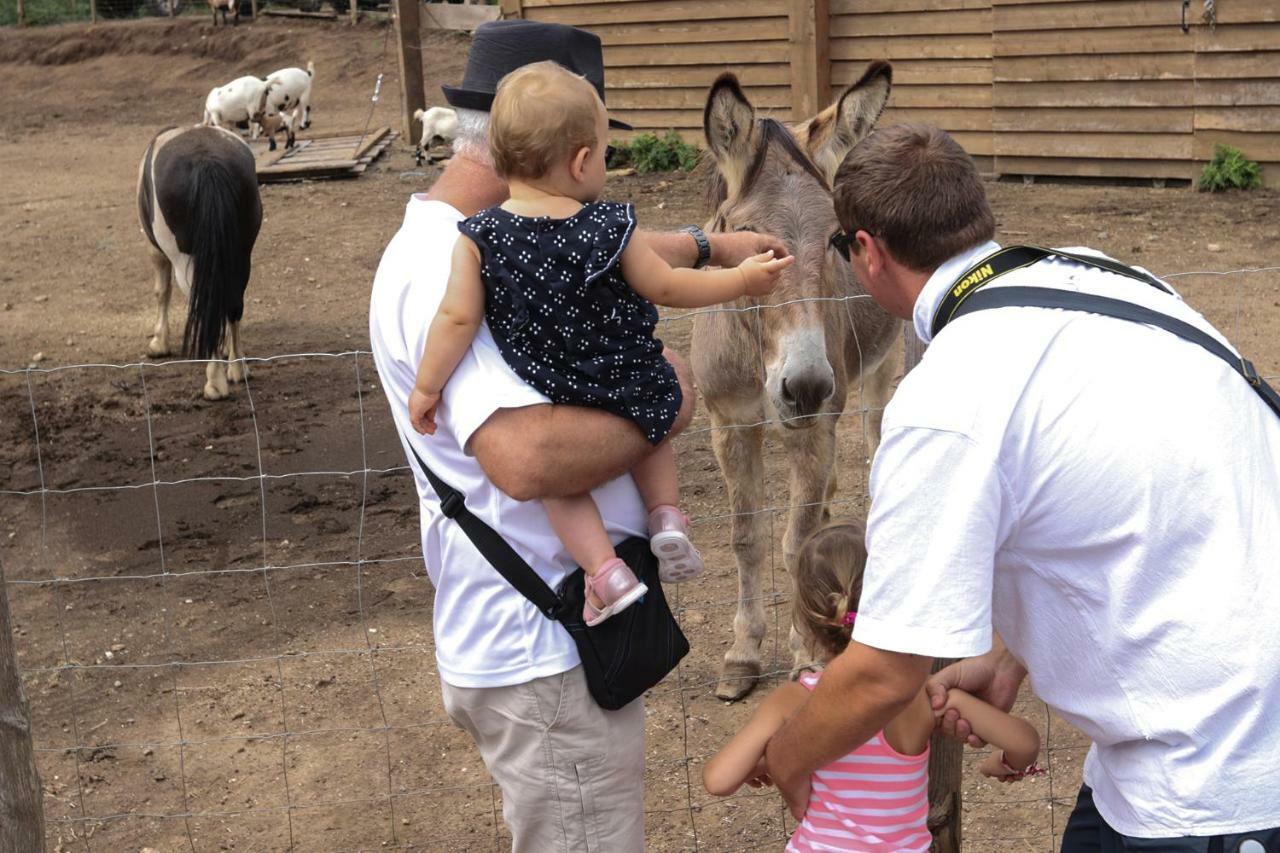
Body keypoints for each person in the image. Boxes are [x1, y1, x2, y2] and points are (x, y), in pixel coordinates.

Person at [760, 122, 1280, 850]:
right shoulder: (1107, 279)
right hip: (1176, 747)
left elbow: (882, 671)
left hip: (1219, 778)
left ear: (868, 251)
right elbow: (1114, 477)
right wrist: (1009, 653)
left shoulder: (946, 397)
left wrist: (787, 756)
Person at [368, 20, 788, 853]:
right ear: (574, 156)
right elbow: (528, 459)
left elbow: (605, 244)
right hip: (547, 651)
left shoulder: (487, 241)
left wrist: (708, 243)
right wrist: (666, 395)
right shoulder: (442, 263)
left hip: (543, 635)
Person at [407, 61, 792, 626]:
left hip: (550, 387)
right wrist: (742, 279)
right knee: (652, 419)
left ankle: (605, 573)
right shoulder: (611, 226)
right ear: (582, 160)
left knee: (563, 488)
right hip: (625, 369)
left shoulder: (479, 237)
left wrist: (425, 386)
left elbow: (456, 320)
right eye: (606, 154)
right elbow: (667, 286)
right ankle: (667, 517)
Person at [703, 522, 1041, 852]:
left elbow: (718, 780)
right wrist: (1003, 764)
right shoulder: (920, 697)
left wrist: (763, 759)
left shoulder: (791, 700)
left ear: (805, 620)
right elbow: (1024, 743)